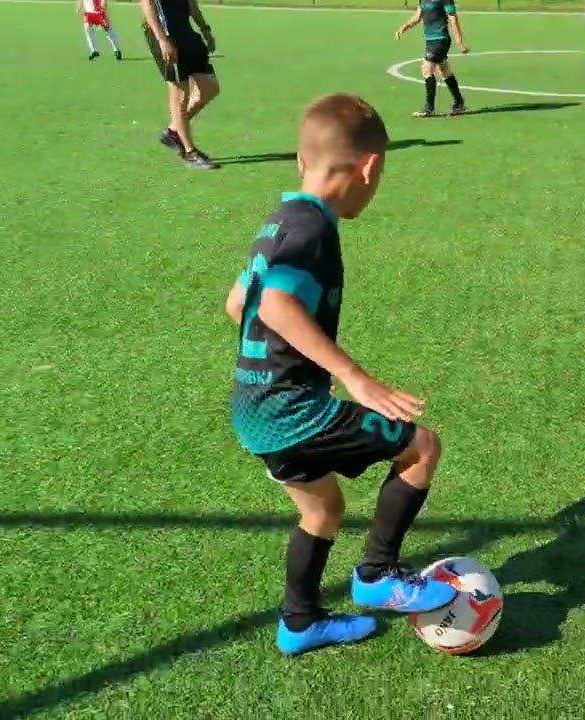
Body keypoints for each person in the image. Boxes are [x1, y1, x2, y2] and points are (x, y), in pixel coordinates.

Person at [225, 93, 458, 656]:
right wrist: (354, 377)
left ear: (301, 160)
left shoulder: (279, 221)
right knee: (422, 448)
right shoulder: (314, 230)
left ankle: (300, 622)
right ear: (369, 168)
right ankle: (378, 574)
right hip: (290, 412)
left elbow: (238, 304)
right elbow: (275, 305)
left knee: (323, 508)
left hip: (253, 408)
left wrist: (289, 362)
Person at [138, 0, 221, 169]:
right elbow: (147, 4)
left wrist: (205, 29)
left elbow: (191, 3)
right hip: (165, 34)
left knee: (210, 88)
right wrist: (162, 39)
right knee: (180, 96)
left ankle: (173, 131)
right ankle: (190, 152)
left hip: (185, 30)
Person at [395, 0, 470, 117]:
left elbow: (453, 18)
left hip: (440, 39)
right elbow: (417, 16)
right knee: (444, 70)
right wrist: (405, 26)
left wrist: (459, 41)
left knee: (426, 69)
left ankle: (429, 108)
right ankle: (459, 103)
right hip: (430, 41)